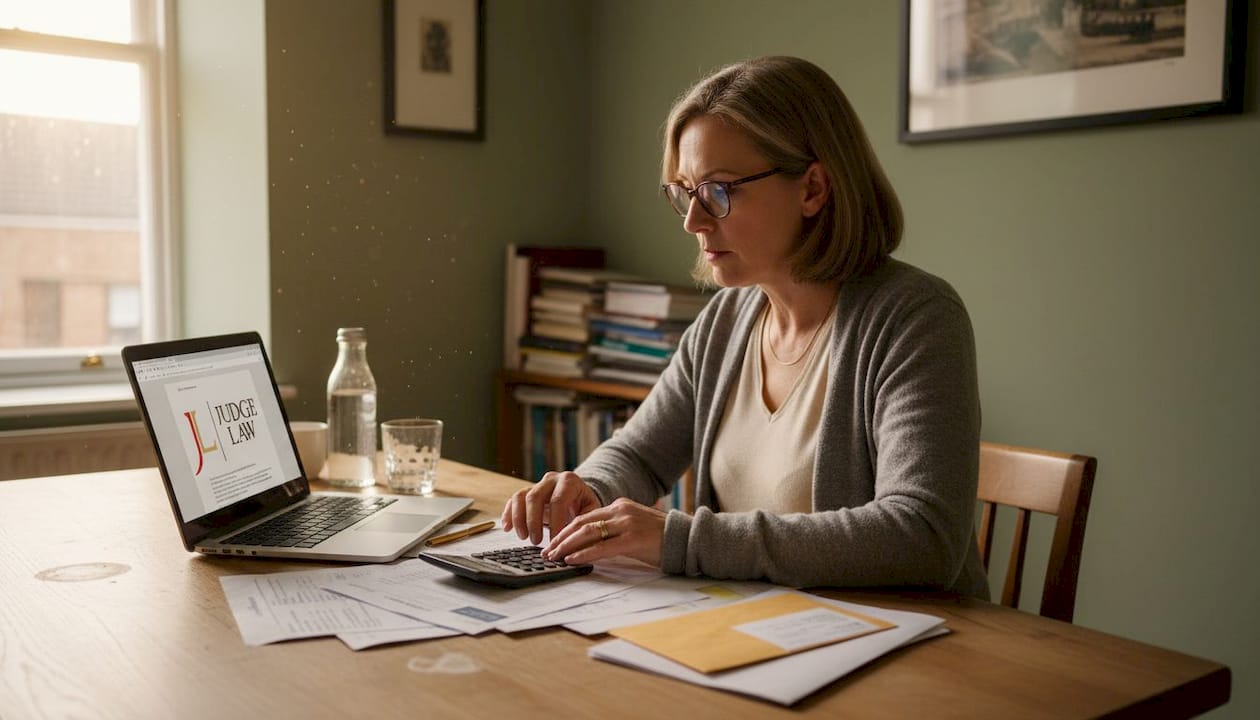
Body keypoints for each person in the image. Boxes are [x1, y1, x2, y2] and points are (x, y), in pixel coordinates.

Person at [501, 55, 988, 597]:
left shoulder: (915, 317)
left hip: (911, 650)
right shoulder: (725, 324)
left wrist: (679, 539)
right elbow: (639, 453)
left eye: (719, 191)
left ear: (813, 189)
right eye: (685, 191)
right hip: (760, 631)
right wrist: (590, 489)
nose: (693, 220)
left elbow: (922, 537)